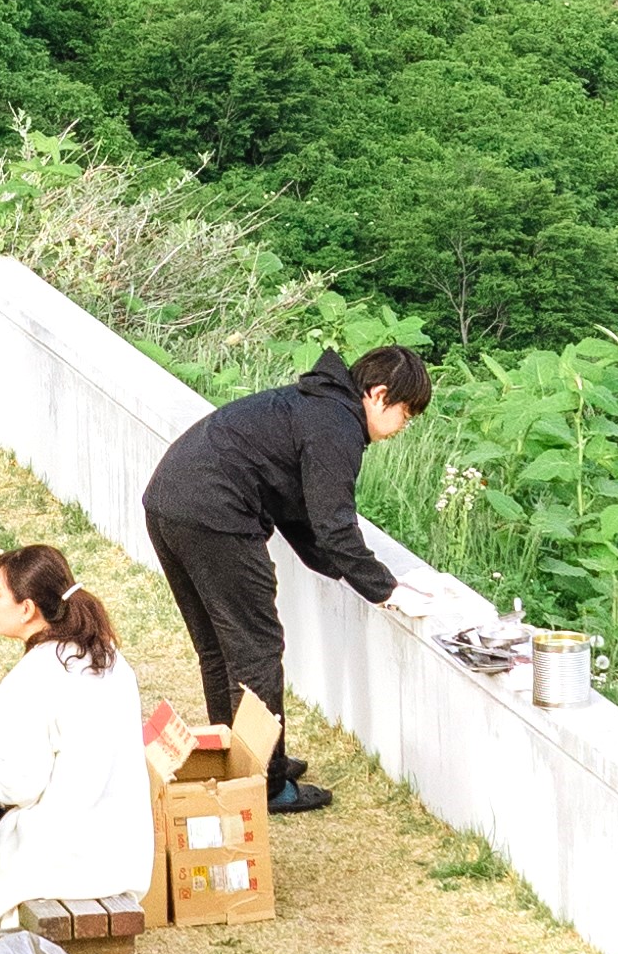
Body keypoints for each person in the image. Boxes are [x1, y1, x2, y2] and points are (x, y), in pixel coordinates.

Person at [138, 344, 437, 815]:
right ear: (378, 395)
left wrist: (348, 571)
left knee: (219, 647)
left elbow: (300, 512)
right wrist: (387, 588)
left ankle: (238, 756)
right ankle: (267, 784)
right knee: (257, 650)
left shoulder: (313, 406)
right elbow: (334, 524)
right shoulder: (336, 427)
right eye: (406, 412)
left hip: (168, 502)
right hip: (215, 515)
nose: (405, 426)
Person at [0, 545, 154, 927]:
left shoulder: (30, 677)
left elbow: (21, 786)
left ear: (27, 608)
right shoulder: (113, 660)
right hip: (124, 854)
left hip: (66, 860)